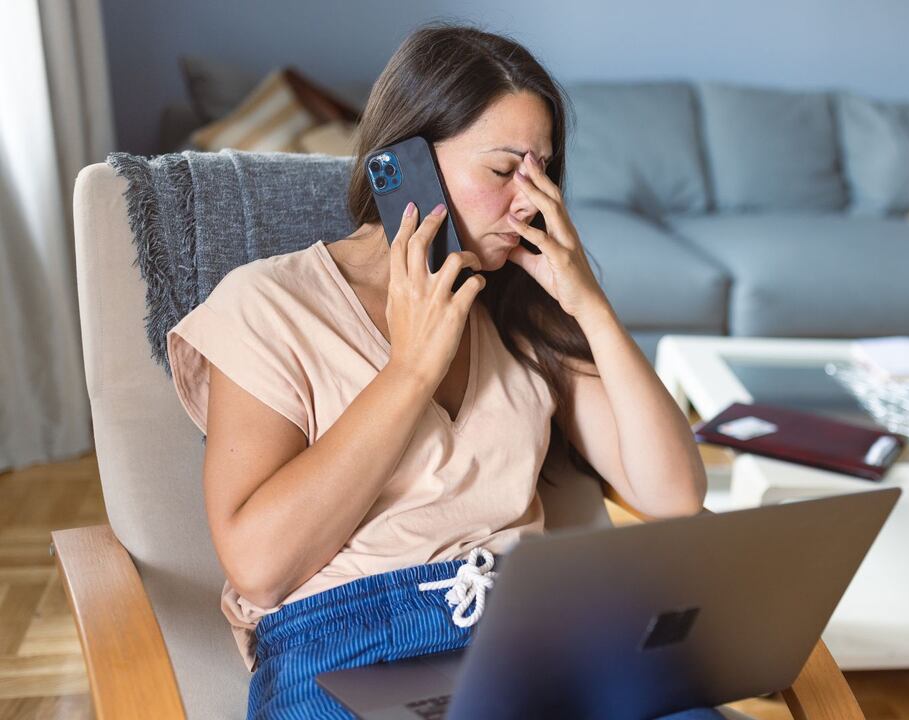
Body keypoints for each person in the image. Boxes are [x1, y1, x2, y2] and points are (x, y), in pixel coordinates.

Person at [166, 21, 718, 719]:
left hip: (534, 630)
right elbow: (261, 567)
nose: (530, 199)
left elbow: (673, 493)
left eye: (543, 169)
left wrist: (591, 307)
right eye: (502, 169)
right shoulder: (268, 303)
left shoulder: (523, 313)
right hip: (345, 644)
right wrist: (409, 372)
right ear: (406, 164)